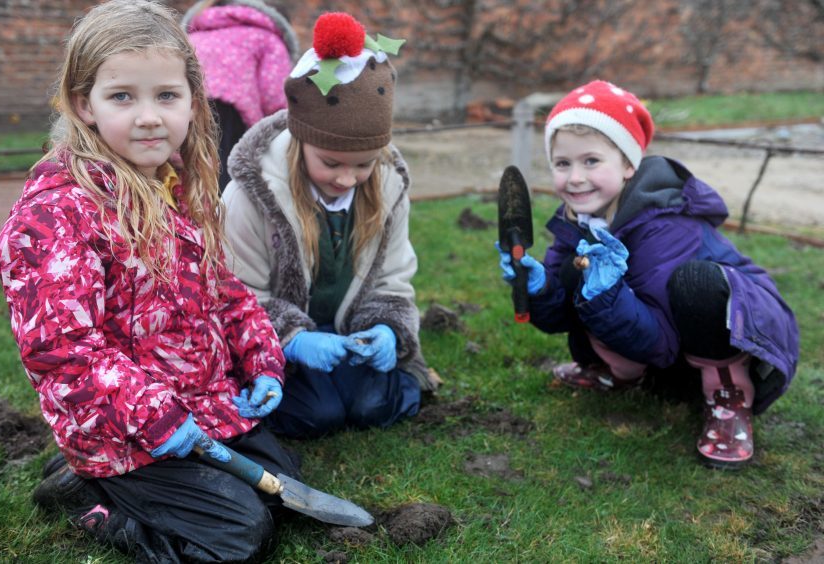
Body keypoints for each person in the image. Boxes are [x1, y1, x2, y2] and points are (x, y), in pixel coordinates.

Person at [0, 1, 299, 561]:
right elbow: (62, 350)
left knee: (283, 484)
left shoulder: (173, 187)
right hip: (121, 426)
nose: (149, 117)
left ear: (191, 100)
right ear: (84, 105)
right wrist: (151, 414)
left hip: (195, 406)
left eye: (166, 95)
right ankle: (89, 495)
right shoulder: (56, 215)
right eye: (122, 97)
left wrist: (261, 358)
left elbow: (223, 290)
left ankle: (139, 481)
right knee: (238, 535)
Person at [497, 80, 799, 469]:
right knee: (575, 274)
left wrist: (606, 295)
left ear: (628, 164)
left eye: (591, 161)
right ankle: (620, 373)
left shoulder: (666, 225)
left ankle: (729, 399)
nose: (574, 178)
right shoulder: (576, 221)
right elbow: (558, 319)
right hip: (665, 353)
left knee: (697, 285)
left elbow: (663, 344)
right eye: (562, 163)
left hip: (736, 338)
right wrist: (538, 288)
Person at [223, 12, 440, 440]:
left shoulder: (389, 186)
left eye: (363, 164)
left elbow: (393, 278)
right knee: (316, 414)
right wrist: (292, 338)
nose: (346, 179)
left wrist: (386, 329)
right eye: (330, 162)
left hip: (345, 338)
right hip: (273, 344)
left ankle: (402, 375)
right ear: (301, 139)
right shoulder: (250, 193)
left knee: (371, 406)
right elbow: (233, 294)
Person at [183, 0, 298, 191]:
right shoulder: (266, 37)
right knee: (227, 173)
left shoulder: (193, 35)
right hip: (232, 113)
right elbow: (274, 95)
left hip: (189, 105)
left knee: (192, 165)